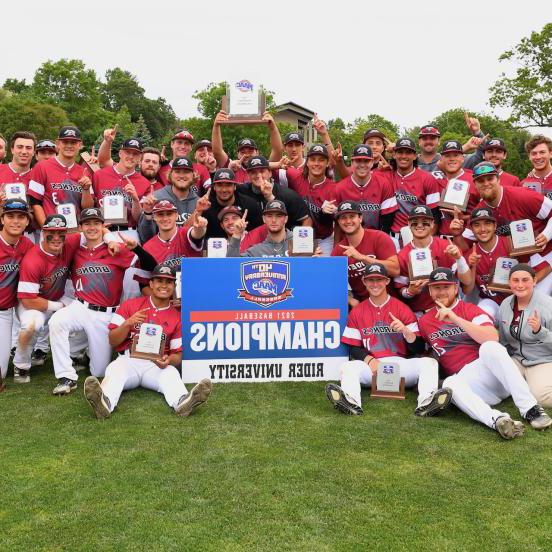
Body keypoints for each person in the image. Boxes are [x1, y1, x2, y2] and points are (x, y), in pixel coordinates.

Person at [418, 267, 552, 439]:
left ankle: (530, 409)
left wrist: (455, 318)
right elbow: (425, 352)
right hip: (473, 383)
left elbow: (491, 336)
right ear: (430, 290)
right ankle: (498, 420)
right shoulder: (424, 321)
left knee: (489, 347)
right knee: (450, 384)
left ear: (455, 287)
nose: (441, 292)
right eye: (437, 287)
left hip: (491, 371)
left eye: (446, 287)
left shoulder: (470, 310)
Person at [48, 208, 157, 395]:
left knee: (98, 371)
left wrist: (136, 247)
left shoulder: (116, 250)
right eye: (87, 223)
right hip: (81, 306)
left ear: (102, 225)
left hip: (106, 314)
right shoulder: (75, 249)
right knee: (56, 321)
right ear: (81, 227)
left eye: (96, 223)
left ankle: (87, 355)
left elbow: (152, 267)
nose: (92, 227)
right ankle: (66, 377)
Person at [83, 263, 212, 419]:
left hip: (156, 365)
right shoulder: (130, 305)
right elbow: (112, 340)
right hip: (129, 360)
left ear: (174, 285)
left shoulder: (177, 316)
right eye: (159, 281)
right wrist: (128, 323)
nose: (164, 285)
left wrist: (168, 360)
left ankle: (183, 402)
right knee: (115, 371)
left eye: (169, 282)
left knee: (170, 374)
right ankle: (104, 404)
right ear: (151, 284)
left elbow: (177, 356)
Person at [325, 263, 451, 416]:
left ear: (387, 281)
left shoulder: (402, 308)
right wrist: (370, 361)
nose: (375, 284)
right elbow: (353, 348)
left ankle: (426, 403)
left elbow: (418, 348)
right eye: (371, 280)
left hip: (400, 367)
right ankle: (351, 403)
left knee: (429, 363)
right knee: (348, 367)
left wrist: (406, 331)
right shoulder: (357, 312)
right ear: (364, 282)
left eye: (379, 279)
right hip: (372, 368)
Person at [13, 214, 84, 383]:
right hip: (31, 303)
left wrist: (110, 238)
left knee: (85, 308)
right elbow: (28, 300)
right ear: (44, 233)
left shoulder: (69, 243)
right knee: (32, 325)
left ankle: (73, 355)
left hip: (57, 296)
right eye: (52, 232)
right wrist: (58, 307)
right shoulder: (33, 259)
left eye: (61, 233)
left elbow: (93, 230)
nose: (57, 238)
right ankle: (21, 365)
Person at [463, 162, 552, 294]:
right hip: (519, 263)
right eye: (480, 180)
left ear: (498, 179)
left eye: (490, 178)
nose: (486, 183)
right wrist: (458, 233)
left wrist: (547, 234)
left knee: (536, 302)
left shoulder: (523, 196)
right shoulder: (479, 212)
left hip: (546, 254)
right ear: (475, 184)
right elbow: (466, 244)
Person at [394, 205, 471, 314]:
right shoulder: (402, 255)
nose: (420, 225)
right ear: (408, 224)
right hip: (422, 312)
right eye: (415, 221)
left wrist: (459, 258)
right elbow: (401, 289)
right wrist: (410, 291)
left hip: (451, 309)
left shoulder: (446, 246)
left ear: (432, 224)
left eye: (425, 221)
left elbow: (467, 281)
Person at [498, 264, 552, 408]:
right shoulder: (505, 304)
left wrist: (540, 331)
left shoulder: (548, 305)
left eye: (525, 280)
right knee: (495, 382)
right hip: (517, 359)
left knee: (542, 397)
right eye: (515, 280)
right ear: (509, 282)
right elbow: (503, 338)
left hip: (543, 359)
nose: (520, 285)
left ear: (534, 281)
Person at [331, 201, 398, 307]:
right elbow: (332, 283)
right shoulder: (339, 250)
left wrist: (362, 257)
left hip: (389, 302)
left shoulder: (379, 237)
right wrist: (318, 263)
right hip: (362, 305)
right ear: (338, 222)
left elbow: (395, 270)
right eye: (343, 217)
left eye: (352, 216)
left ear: (360, 218)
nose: (348, 221)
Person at [28, 126, 94, 227]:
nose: (69, 145)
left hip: (76, 231)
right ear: (58, 144)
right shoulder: (42, 166)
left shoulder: (84, 171)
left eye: (73, 142)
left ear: (80, 145)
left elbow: (88, 208)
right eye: (65, 142)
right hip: (52, 230)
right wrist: (46, 228)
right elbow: (35, 202)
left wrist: (86, 190)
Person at [0, 200, 34, 385]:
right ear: (2, 219)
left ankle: (22, 363)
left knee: (1, 373)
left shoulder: (27, 244)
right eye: (10, 216)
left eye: (21, 217)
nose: (15, 221)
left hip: (8, 307)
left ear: (27, 221)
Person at [380, 137, 441, 240]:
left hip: (419, 236)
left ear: (414, 156)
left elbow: (435, 216)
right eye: (400, 152)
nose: (404, 156)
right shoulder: (387, 176)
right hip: (393, 237)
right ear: (394, 155)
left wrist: (426, 241)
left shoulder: (427, 178)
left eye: (408, 152)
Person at [462, 208, 518, 318]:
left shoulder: (511, 243)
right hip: (492, 302)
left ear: (495, 226)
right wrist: (471, 266)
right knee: (482, 316)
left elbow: (536, 271)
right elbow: (467, 290)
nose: (482, 229)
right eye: (477, 225)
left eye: (487, 223)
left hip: (518, 299)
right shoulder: (470, 255)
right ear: (472, 229)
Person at [286, 144, 337, 255]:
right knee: (299, 268)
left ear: (327, 163)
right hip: (299, 236)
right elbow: (269, 168)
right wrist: (279, 163)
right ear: (307, 162)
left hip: (323, 239)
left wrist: (326, 213)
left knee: (322, 269)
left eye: (321, 160)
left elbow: (336, 220)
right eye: (313, 159)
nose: (316, 164)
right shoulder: (295, 177)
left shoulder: (334, 188)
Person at [138, 156, 202, 243]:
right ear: (171, 174)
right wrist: (148, 214)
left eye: (186, 172)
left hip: (188, 254)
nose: (182, 175)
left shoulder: (199, 203)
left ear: (193, 175)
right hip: (160, 252)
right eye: (177, 171)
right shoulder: (155, 197)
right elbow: (145, 238)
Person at [333, 145, 397, 232]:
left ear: (372, 162)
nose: (362, 165)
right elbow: (335, 221)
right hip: (348, 239)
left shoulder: (384, 184)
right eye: (358, 161)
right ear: (352, 162)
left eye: (366, 161)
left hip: (376, 238)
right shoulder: (340, 187)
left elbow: (387, 221)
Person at [93, 138, 150, 235]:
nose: (131, 156)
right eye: (127, 152)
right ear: (120, 153)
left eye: (135, 154)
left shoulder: (144, 183)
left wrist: (135, 200)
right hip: (101, 231)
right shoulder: (99, 175)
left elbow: (139, 218)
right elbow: (90, 205)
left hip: (129, 232)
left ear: (140, 158)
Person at [239, 155, 310, 229]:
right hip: (253, 238)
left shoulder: (288, 195)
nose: (258, 175)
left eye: (262, 171)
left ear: (270, 173)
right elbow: (227, 189)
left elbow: (306, 220)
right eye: (253, 172)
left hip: (284, 238)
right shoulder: (241, 191)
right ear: (248, 175)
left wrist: (301, 240)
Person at [212, 110, 283, 183]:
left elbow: (277, 150)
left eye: (251, 151)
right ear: (237, 154)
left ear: (257, 152)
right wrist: (216, 125)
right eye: (242, 152)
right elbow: (217, 151)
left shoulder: (267, 166)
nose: (247, 154)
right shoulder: (232, 166)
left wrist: (273, 127)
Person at [431, 140, 479, 237]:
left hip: (467, 240)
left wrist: (463, 217)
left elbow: (487, 212)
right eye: (447, 156)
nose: (451, 159)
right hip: (441, 239)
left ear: (462, 158)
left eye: (456, 155)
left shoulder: (474, 180)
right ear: (441, 159)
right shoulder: (435, 180)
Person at [202, 168, 263, 239]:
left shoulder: (249, 205)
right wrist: (198, 210)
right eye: (220, 185)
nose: (224, 190)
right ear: (214, 187)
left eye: (228, 185)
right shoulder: (206, 206)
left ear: (235, 187)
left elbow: (260, 234)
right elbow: (190, 235)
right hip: (215, 247)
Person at [226, 200, 295, 257]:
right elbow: (231, 266)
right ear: (264, 219)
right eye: (269, 216)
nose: (274, 220)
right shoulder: (256, 251)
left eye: (279, 216)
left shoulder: (300, 244)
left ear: (286, 219)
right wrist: (237, 234)